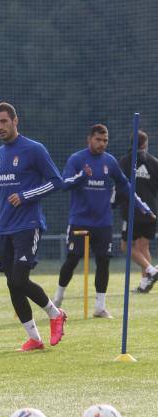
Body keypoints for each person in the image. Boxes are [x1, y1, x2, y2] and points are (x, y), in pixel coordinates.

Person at [0, 102, 66, 352]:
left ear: (15, 121)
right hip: (6, 228)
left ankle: (55, 314)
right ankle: (35, 339)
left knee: (19, 278)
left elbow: (57, 182)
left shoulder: (34, 149)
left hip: (28, 225)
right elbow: (1, 191)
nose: (0, 127)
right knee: (12, 283)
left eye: (4, 122)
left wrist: (26, 195)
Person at [54, 125, 154, 317]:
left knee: (103, 262)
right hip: (79, 221)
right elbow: (63, 184)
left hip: (103, 223)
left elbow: (125, 186)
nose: (102, 144)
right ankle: (57, 299)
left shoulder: (110, 162)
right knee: (72, 259)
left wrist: (143, 207)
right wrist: (82, 176)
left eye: (105, 140)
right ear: (89, 139)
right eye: (98, 140)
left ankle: (100, 307)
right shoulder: (76, 159)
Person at [115, 130, 158, 293]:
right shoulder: (154, 162)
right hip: (151, 212)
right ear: (145, 144)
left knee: (126, 247)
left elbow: (119, 184)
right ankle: (145, 283)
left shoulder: (125, 161)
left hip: (131, 212)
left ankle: (151, 271)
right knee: (143, 246)